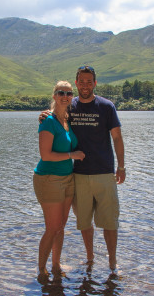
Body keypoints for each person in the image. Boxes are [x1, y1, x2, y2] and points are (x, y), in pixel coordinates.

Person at [40, 66, 125, 271]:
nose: (85, 85)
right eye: (81, 81)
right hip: (78, 174)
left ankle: (112, 261)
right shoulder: (71, 105)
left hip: (105, 173)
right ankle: (90, 258)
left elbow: (117, 137)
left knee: (109, 222)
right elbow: (55, 117)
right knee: (84, 222)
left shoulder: (106, 106)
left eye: (89, 81)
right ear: (76, 83)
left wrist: (121, 166)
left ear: (95, 83)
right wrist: (44, 115)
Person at [33, 81, 85, 280]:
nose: (65, 96)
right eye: (61, 92)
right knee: (52, 228)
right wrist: (72, 154)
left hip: (67, 178)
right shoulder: (48, 121)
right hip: (48, 179)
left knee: (61, 227)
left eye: (69, 93)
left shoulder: (67, 119)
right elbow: (45, 155)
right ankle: (41, 269)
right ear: (54, 96)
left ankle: (56, 265)